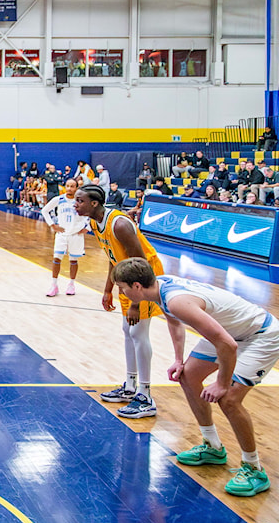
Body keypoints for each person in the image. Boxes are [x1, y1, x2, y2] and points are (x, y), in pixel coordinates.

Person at [112, 258, 277, 497]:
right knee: (187, 376)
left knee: (229, 399)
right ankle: (212, 447)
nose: (122, 292)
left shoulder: (176, 301)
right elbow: (175, 323)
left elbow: (227, 345)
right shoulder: (161, 288)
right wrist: (179, 361)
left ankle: (254, 468)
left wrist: (221, 383)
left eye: (122, 287)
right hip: (230, 332)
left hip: (260, 335)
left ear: (137, 286)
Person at [74, 184, 163, 419]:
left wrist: (136, 302)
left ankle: (145, 396)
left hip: (145, 278)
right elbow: (115, 258)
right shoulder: (95, 223)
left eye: (79, 201)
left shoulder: (120, 224)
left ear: (94, 203)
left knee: (138, 333)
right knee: (128, 330)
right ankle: (130, 386)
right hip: (128, 278)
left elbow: (140, 264)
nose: (75, 204)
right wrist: (107, 290)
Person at [40, 178, 89, 297]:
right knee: (57, 258)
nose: (69, 188)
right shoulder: (59, 199)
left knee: (73, 260)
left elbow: (90, 215)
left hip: (76, 235)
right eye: (67, 186)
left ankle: (71, 284)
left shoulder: (81, 201)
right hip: (62, 234)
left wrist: (88, 228)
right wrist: (52, 225)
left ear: (76, 188)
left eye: (72, 186)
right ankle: (54, 285)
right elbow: (44, 211)